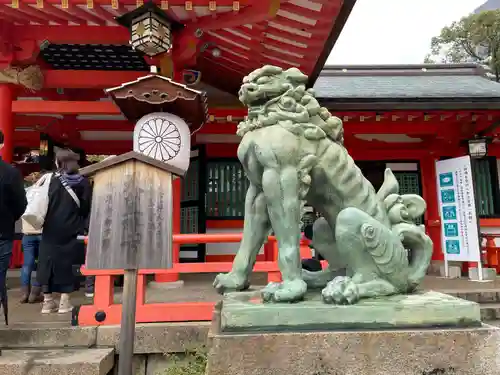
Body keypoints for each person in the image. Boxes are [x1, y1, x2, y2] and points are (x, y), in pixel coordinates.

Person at [37, 149, 92, 314]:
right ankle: (64, 302)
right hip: (72, 227)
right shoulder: (82, 182)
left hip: (50, 227)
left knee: (48, 262)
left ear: (58, 162)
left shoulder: (49, 180)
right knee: (68, 263)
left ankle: (47, 302)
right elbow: (86, 207)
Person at [0, 130, 28, 319]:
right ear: (2, 145)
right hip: (2, 231)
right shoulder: (10, 173)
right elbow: (21, 204)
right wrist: (10, 217)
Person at [19, 173, 44, 304]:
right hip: (41, 231)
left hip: (27, 232)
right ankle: (35, 293)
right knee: (41, 263)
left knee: (27, 264)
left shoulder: (26, 192)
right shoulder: (44, 193)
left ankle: (24, 293)